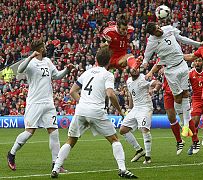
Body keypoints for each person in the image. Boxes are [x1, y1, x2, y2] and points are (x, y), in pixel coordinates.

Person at [51, 47, 137, 179]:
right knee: (114, 139)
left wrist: (83, 102)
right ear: (109, 61)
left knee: (70, 141)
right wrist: (119, 110)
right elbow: (110, 94)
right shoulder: (107, 74)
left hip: (81, 110)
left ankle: (56, 169)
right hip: (96, 111)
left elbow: (72, 91)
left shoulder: (87, 72)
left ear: (96, 59)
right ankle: (122, 169)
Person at [7, 39, 72, 172]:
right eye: (43, 46)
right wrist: (30, 56)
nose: (45, 48)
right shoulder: (30, 63)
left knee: (53, 132)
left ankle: (56, 164)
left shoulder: (47, 61)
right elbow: (19, 70)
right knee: (29, 132)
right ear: (39, 48)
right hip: (35, 102)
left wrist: (67, 70)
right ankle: (12, 153)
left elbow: (57, 76)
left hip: (48, 102)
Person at [143, 22, 203, 137]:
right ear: (153, 34)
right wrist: (144, 65)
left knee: (186, 93)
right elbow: (146, 58)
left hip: (182, 65)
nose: (159, 29)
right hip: (171, 71)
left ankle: (186, 125)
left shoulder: (167, 29)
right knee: (178, 97)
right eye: (156, 30)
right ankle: (182, 123)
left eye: (158, 26)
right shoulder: (151, 42)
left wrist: (198, 44)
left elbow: (182, 38)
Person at [149, 62, 200, 155]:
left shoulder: (179, 59)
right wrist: (151, 72)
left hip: (180, 91)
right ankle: (179, 141)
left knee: (185, 117)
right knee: (171, 117)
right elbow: (157, 66)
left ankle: (195, 140)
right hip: (168, 92)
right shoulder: (164, 58)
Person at [119, 58, 160, 164]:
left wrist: (154, 90)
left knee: (144, 129)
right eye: (133, 69)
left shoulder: (143, 78)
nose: (135, 70)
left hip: (145, 107)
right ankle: (139, 150)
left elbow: (158, 83)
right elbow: (131, 95)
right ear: (130, 70)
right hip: (135, 108)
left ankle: (148, 157)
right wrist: (129, 108)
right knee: (122, 130)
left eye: (137, 68)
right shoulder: (128, 81)